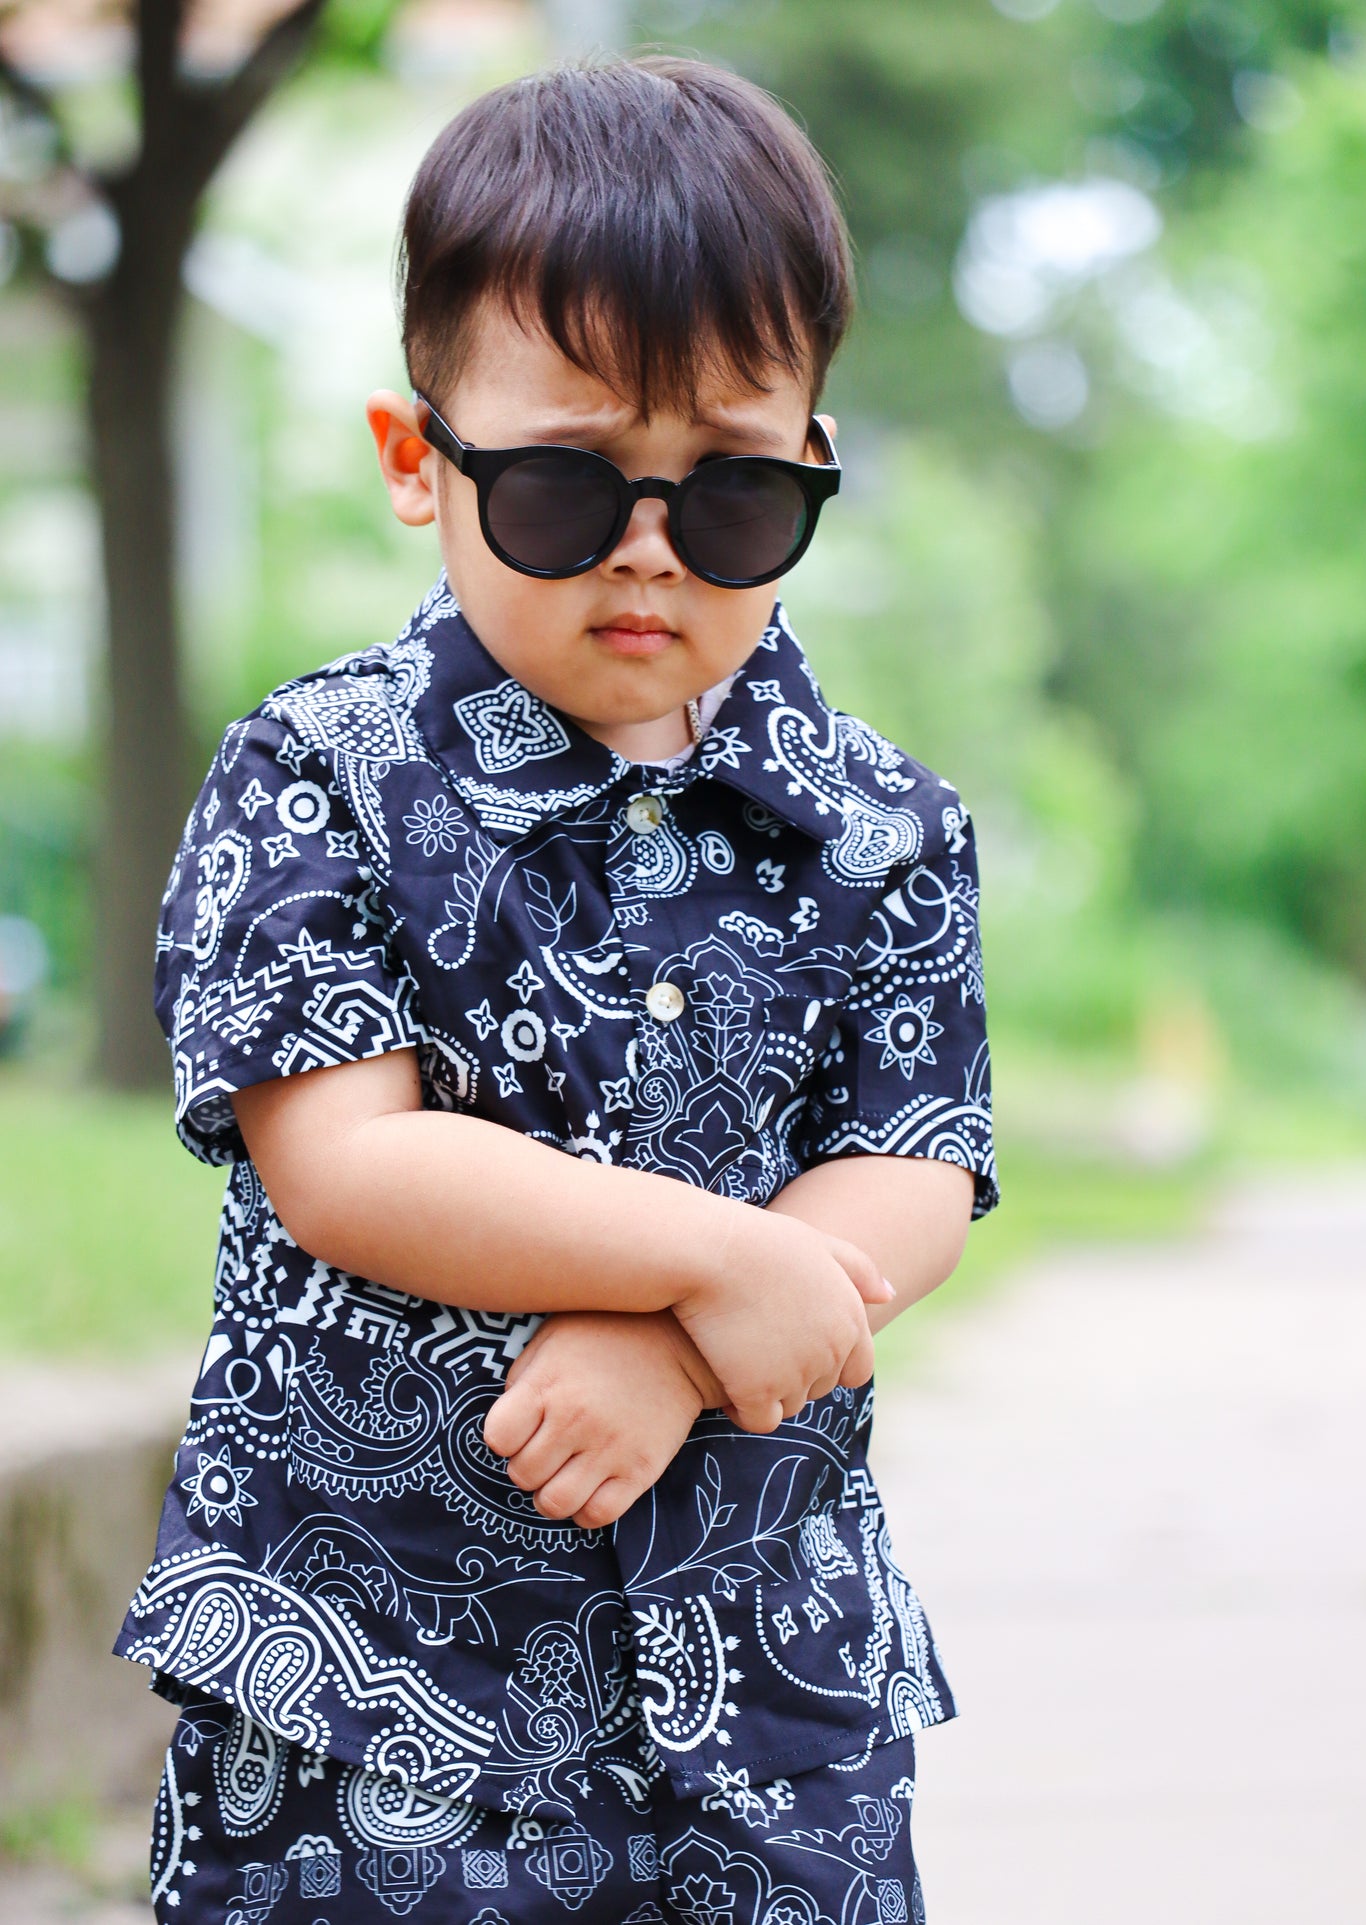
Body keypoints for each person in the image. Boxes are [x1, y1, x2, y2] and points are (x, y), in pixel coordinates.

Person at [118, 55, 997, 1925]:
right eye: (563, 486)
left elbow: (912, 1154)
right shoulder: (319, 771)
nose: (650, 550)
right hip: (377, 1703)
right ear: (417, 459)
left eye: (734, 492)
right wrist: (706, 1248)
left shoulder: (883, 824)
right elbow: (345, 1160)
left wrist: (692, 1339)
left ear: (813, 464)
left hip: (768, 1684)